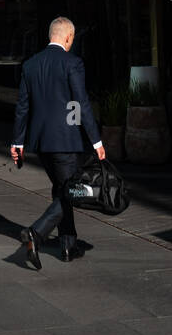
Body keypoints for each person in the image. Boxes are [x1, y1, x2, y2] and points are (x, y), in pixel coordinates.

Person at [10, 16, 105, 269]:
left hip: (40, 143)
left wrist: (17, 142)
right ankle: (36, 233)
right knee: (73, 192)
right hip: (66, 141)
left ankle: (67, 245)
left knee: (62, 189)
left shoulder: (30, 65)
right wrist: (96, 141)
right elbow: (82, 103)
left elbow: (22, 108)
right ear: (67, 37)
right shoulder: (72, 63)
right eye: (72, 39)